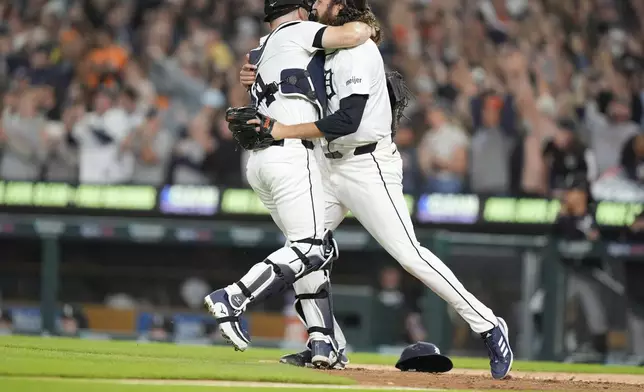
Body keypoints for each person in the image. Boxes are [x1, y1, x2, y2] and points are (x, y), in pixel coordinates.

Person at [236, 0, 513, 380]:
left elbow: (348, 121)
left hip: (367, 165)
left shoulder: (358, 48)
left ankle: (488, 324)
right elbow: (288, 80)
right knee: (307, 246)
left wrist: (281, 131)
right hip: (329, 163)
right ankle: (326, 343)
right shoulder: (324, 47)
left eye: (322, 0)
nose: (314, 5)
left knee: (409, 255)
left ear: (342, 6)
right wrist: (255, 77)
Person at [203, 0, 374, 370]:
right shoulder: (298, 30)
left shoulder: (259, 48)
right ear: (298, 10)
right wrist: (368, 26)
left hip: (260, 162)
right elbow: (356, 32)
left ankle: (322, 343)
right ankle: (233, 296)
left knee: (306, 250)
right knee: (313, 247)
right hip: (292, 153)